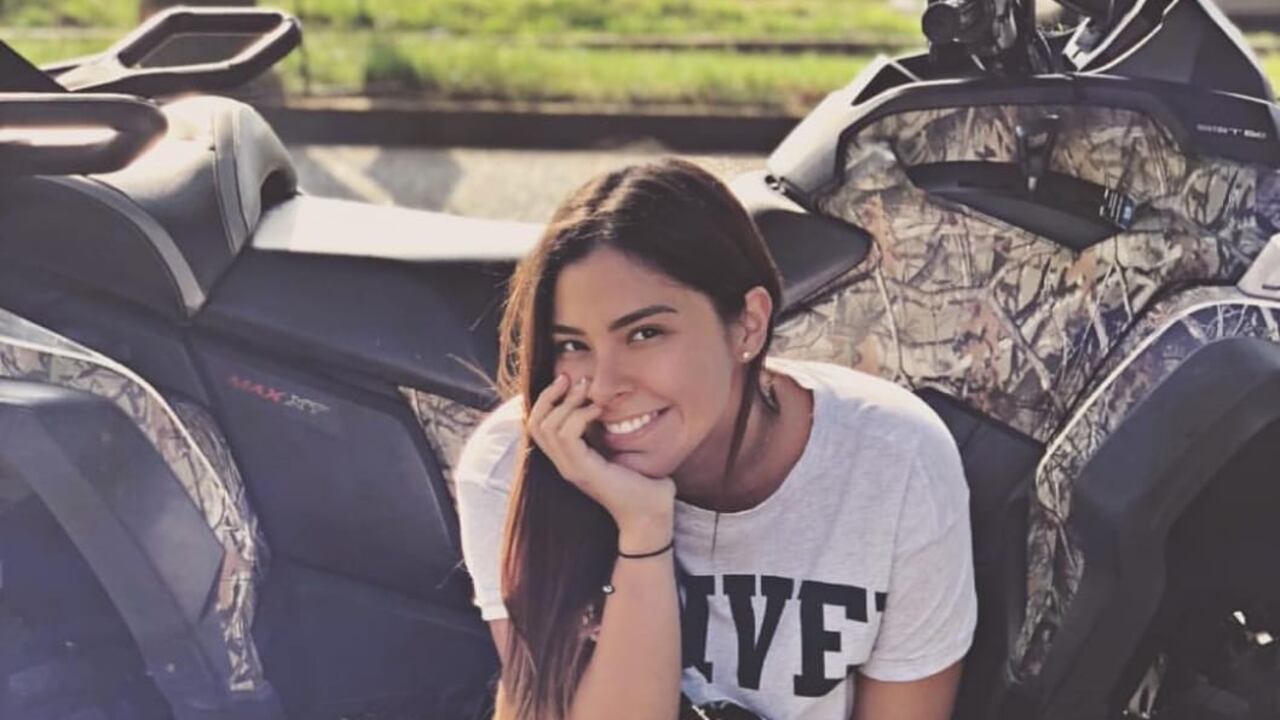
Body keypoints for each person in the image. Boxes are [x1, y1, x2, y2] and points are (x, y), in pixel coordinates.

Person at [455, 158, 976, 720]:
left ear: (749, 324)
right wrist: (643, 531)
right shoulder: (517, 465)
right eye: (573, 345)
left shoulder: (892, 461)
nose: (603, 387)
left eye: (645, 333)